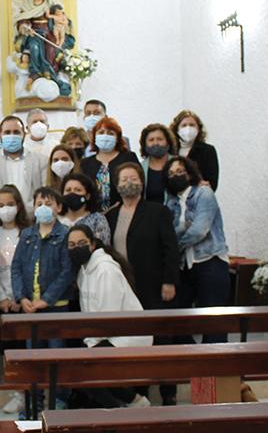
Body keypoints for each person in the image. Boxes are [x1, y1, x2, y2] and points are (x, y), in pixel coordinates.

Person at [105, 163, 180, 405]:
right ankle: (141, 392)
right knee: (134, 341)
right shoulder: (111, 215)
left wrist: (170, 281)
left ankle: (169, 393)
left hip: (154, 285)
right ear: (116, 186)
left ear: (142, 182)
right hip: (126, 289)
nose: (128, 182)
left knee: (161, 340)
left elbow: (171, 249)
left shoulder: (157, 211)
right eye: (123, 179)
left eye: (133, 178)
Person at [66, 224, 152, 408]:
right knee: (76, 368)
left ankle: (122, 408)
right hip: (105, 334)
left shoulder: (106, 270)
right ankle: (132, 403)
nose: (76, 248)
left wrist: (91, 345)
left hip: (127, 335)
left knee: (83, 369)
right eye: (71, 245)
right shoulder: (84, 270)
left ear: (93, 245)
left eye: (81, 243)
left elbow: (109, 318)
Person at [10, 187, 73, 408]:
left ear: (58, 207)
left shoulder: (65, 235)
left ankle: (59, 401)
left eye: (49, 203)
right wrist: (21, 297)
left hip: (56, 306)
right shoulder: (27, 234)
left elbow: (67, 272)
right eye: (39, 204)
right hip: (31, 308)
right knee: (33, 355)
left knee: (58, 355)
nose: (44, 208)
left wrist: (47, 299)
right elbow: (16, 267)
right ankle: (34, 402)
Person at [165, 156, 230, 343]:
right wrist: (183, 229)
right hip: (185, 265)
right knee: (180, 319)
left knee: (213, 320)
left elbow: (199, 230)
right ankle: (192, 362)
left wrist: (177, 242)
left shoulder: (204, 193)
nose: (175, 176)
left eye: (179, 172)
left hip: (210, 261)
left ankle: (214, 367)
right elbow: (169, 232)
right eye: (170, 174)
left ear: (189, 173)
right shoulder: (171, 202)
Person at [0, 185, 31, 415]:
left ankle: (29, 392)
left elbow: (28, 269)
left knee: (26, 348)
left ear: (18, 206)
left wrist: (20, 297)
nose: (6, 209)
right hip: (4, 302)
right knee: (7, 349)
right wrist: (2, 298)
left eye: (10, 204)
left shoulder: (28, 232)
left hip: (25, 301)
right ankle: (17, 392)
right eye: (1, 205)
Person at [0, 115, 46, 220]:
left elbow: (44, 192)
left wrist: (24, 214)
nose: (12, 136)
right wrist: (3, 212)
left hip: (32, 221)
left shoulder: (41, 160)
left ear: (24, 134)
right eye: (7, 132)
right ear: (0, 136)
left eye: (16, 132)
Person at [80, 117, 139, 211]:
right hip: (93, 215)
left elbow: (139, 185)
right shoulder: (86, 163)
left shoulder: (128, 157)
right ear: (95, 136)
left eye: (110, 133)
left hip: (124, 212)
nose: (105, 136)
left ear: (117, 138)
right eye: (101, 132)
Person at [170, 110, 219, 191]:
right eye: (184, 125)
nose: (188, 128)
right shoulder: (171, 150)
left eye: (192, 125)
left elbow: (212, 182)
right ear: (177, 129)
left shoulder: (208, 150)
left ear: (198, 128)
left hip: (198, 195)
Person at [60, 173, 112, 244]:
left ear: (87, 196)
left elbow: (103, 247)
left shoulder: (97, 220)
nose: (72, 193)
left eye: (78, 190)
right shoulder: (55, 219)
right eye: (68, 190)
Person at [139, 123, 177, 203]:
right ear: (145, 145)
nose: (155, 143)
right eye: (151, 140)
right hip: (148, 213)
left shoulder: (180, 164)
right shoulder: (140, 168)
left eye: (160, 139)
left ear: (168, 142)